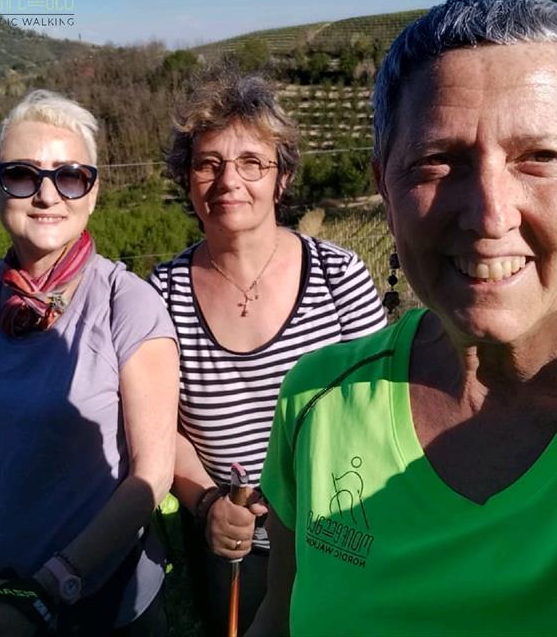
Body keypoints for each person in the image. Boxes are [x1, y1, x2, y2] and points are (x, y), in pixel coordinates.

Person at [250, 0, 557, 637]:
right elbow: (278, 617)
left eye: (540, 158)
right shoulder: (316, 402)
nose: (490, 216)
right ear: (385, 189)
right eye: (438, 161)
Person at [149, 69, 386, 637]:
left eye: (252, 162)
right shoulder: (161, 296)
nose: (229, 180)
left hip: (343, 539)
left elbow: (381, 407)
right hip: (233, 553)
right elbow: (161, 427)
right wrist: (208, 503)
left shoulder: (338, 277)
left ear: (282, 179)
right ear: (187, 180)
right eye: (208, 164)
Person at [0, 90, 179, 636]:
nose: (47, 194)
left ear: (92, 194)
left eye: (70, 177)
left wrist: (47, 590)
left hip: (97, 603)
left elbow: (151, 474)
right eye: (21, 175)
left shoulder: (127, 304)